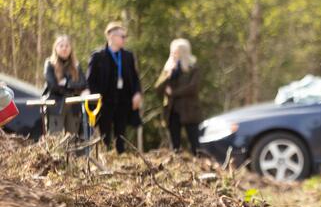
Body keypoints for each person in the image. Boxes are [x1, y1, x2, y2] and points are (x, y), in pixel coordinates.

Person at [87, 21, 142, 153]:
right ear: (111, 36)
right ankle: (105, 158)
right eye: (121, 36)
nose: (124, 39)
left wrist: (137, 93)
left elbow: (135, 78)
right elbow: (90, 80)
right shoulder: (98, 56)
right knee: (105, 135)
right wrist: (95, 99)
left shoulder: (127, 56)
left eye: (125, 36)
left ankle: (121, 158)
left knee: (121, 135)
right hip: (104, 102)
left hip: (123, 102)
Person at [155, 39, 202, 155]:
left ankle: (199, 165)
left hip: (189, 111)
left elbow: (193, 88)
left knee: (195, 144)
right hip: (172, 111)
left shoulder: (193, 68)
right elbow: (158, 88)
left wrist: (173, 93)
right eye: (172, 52)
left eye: (176, 52)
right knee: (175, 146)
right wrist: (168, 75)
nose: (173, 55)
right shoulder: (168, 69)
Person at [42, 35, 87, 134]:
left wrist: (67, 84)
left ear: (71, 48)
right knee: (55, 136)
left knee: (73, 138)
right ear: (56, 48)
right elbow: (53, 86)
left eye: (67, 46)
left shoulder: (76, 65)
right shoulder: (49, 64)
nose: (64, 48)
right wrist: (74, 87)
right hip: (55, 105)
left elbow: (83, 84)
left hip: (74, 105)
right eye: (61, 46)